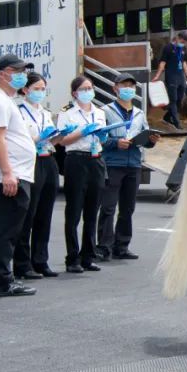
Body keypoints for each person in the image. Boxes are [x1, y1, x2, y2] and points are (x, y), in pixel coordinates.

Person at [0, 54, 39, 297]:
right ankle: (3, 280)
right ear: (2, 73)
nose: (22, 75)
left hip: (14, 172)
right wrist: (8, 174)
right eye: (17, 71)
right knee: (6, 230)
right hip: (10, 175)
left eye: (24, 71)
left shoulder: (5, 100)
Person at [96, 74, 161, 261]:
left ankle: (122, 245)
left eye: (131, 86)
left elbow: (145, 139)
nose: (128, 89)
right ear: (115, 88)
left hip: (133, 163)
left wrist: (151, 141)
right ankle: (103, 246)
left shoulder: (139, 113)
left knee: (128, 208)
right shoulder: (105, 111)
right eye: (124, 85)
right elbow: (100, 138)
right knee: (108, 207)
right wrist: (115, 143)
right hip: (112, 163)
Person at [13, 73, 64, 279]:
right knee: (28, 215)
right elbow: (21, 139)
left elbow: (53, 139)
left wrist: (59, 136)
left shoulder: (45, 112)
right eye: (37, 88)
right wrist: (38, 138)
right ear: (25, 90)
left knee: (45, 213)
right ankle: (22, 264)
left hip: (48, 160)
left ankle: (40, 261)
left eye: (43, 88)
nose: (40, 92)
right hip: (30, 161)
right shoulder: (18, 112)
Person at [56, 76, 109, 273]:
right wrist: (82, 132)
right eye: (83, 88)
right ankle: (72, 257)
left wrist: (102, 136)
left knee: (92, 211)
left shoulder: (100, 113)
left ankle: (88, 255)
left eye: (90, 87)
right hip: (76, 160)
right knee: (74, 211)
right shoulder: (67, 114)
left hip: (95, 158)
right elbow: (62, 141)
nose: (88, 91)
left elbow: (102, 136)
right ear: (75, 93)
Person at [152, 31, 187, 129]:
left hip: (181, 77)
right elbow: (163, 62)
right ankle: (177, 123)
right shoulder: (168, 48)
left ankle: (167, 117)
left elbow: (184, 62)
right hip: (171, 76)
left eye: (185, 42)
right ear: (178, 37)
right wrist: (157, 75)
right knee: (173, 100)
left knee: (180, 100)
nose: (183, 43)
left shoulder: (183, 48)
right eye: (182, 40)